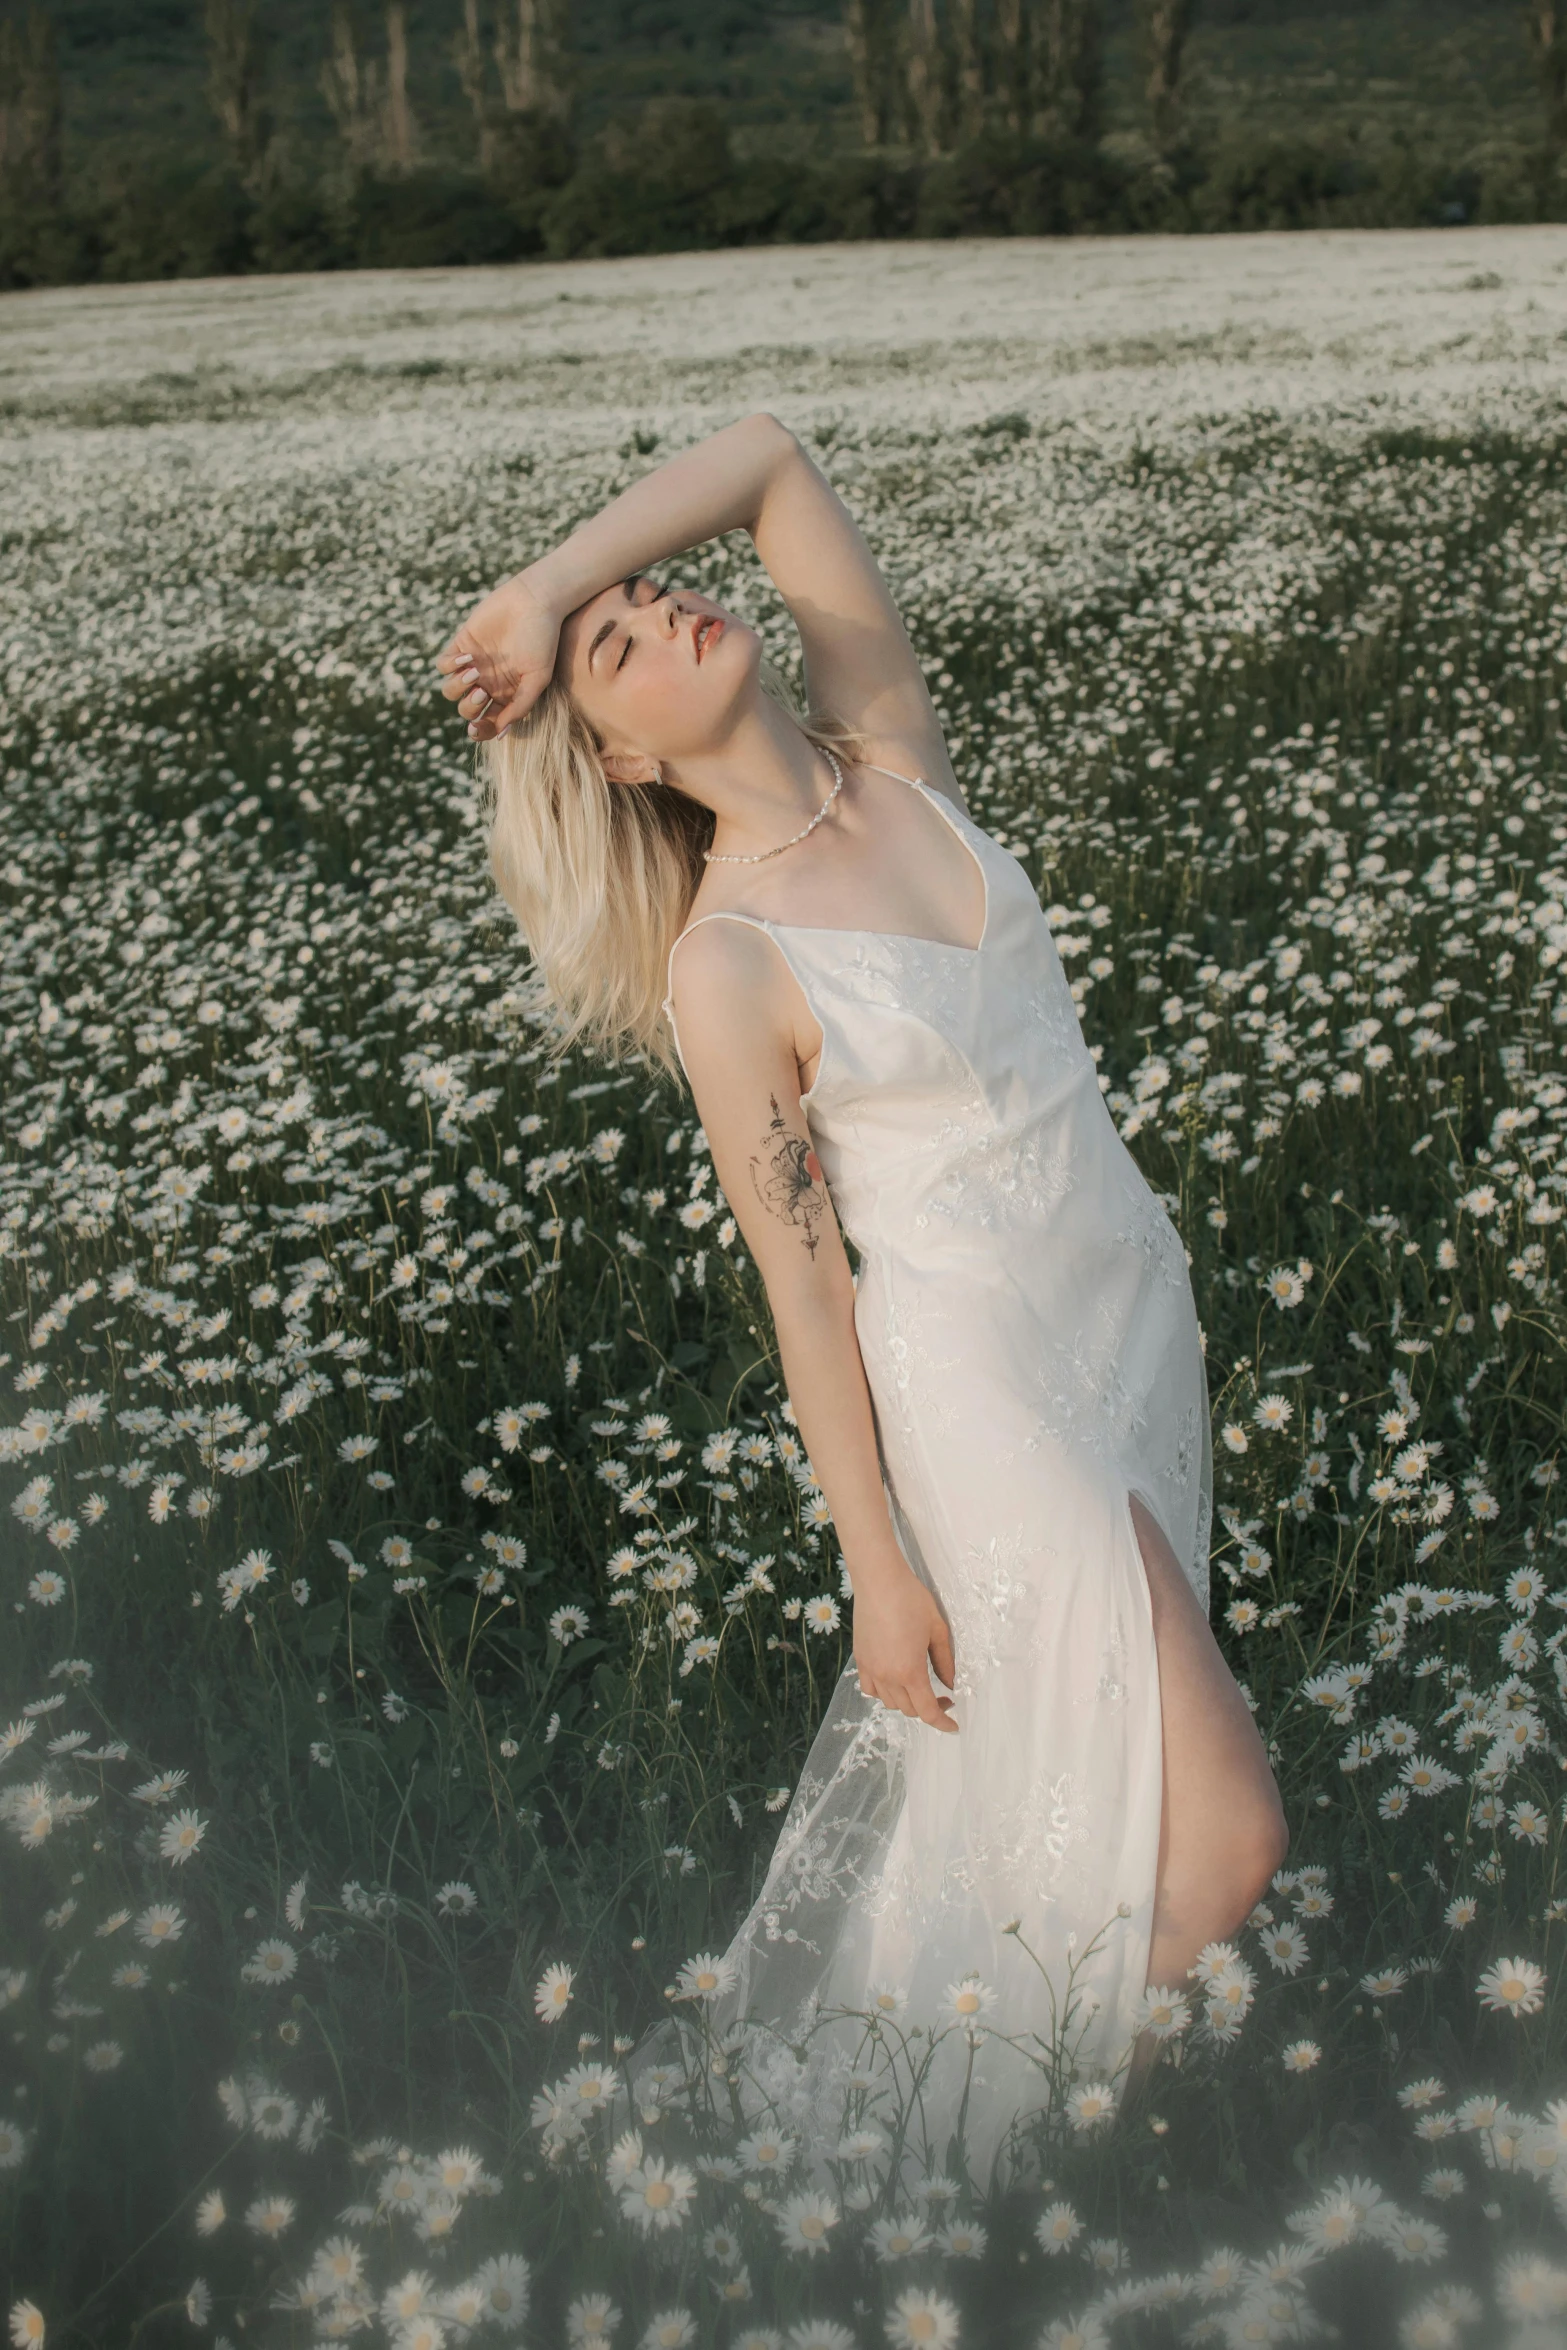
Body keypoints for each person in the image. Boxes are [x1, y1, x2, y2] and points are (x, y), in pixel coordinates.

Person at [436, 410, 1289, 2188]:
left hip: (1130, 1322)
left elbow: (761, 457)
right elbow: (804, 1289)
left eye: (654, 590)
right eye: (618, 644)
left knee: (1091, 1777)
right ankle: (1031, 2156)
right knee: (1219, 1843)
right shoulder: (725, 966)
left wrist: (543, 589)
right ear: (618, 766)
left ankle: (1014, 2157)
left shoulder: (894, 757)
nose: (663, 607)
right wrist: (874, 1561)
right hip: (986, 1385)